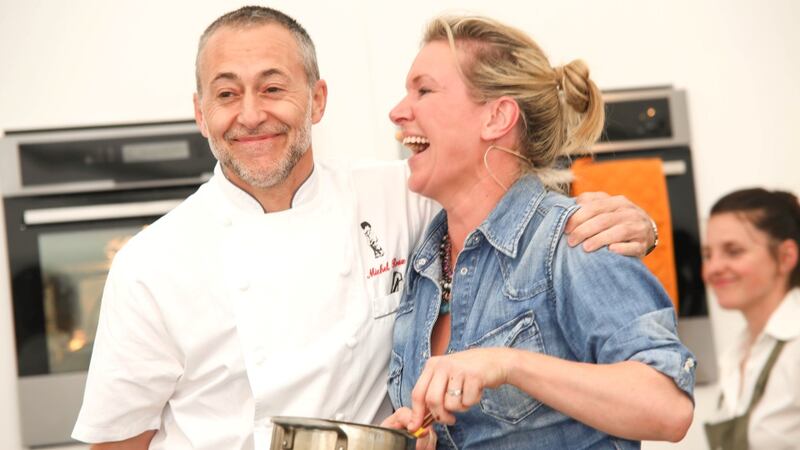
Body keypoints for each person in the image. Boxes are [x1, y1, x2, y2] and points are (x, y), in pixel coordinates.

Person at [71, 7, 657, 450]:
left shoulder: (398, 194)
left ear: (317, 99)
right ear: (201, 113)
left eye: (273, 88)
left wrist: (632, 219)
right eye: (226, 94)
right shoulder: (151, 265)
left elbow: (505, 202)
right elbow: (118, 441)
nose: (250, 114)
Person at [382, 15, 695, 449]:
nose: (398, 111)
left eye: (424, 90)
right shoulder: (423, 265)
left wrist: (509, 364)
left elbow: (667, 407)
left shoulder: (573, 239)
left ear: (497, 116)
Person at [702, 188, 800, 450]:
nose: (713, 268)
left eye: (733, 251)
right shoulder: (736, 354)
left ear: (786, 257)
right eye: (708, 255)